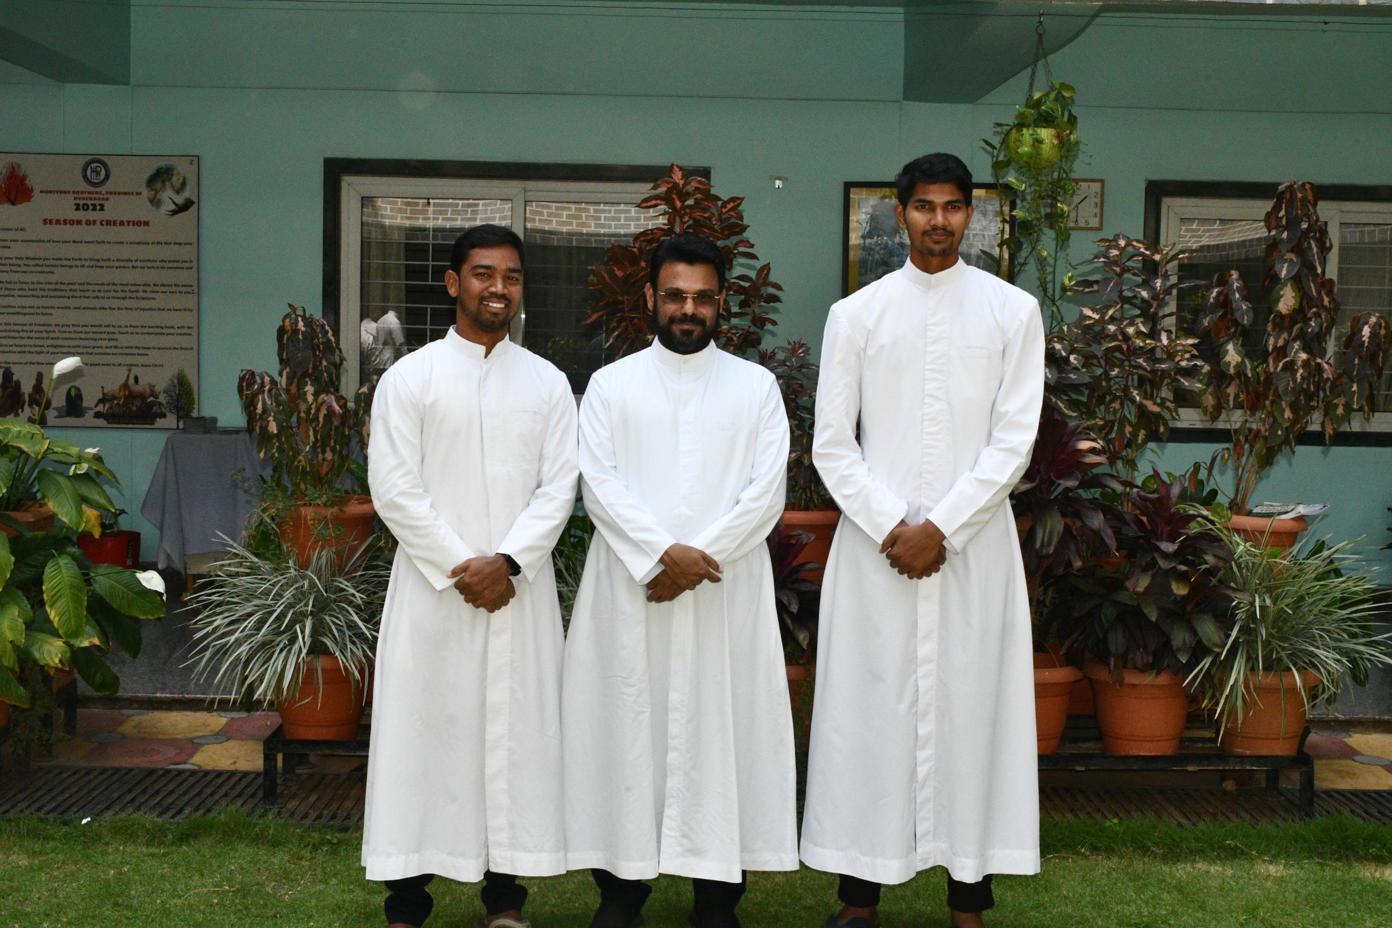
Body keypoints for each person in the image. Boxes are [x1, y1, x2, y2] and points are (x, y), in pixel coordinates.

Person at [800, 153, 1045, 928]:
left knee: (973, 716)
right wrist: (892, 526)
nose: (939, 221)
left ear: (972, 215)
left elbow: (1014, 440)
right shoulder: (857, 314)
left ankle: (969, 899)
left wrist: (941, 527)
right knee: (867, 715)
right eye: (924, 206)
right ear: (899, 212)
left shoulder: (1012, 312)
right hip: (877, 554)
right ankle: (858, 898)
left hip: (974, 551)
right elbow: (832, 443)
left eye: (953, 206)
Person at [563, 232, 797, 928]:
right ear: (650, 298)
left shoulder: (756, 388)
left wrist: (695, 562)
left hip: (724, 590)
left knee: (725, 736)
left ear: (722, 302)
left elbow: (765, 492)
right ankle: (620, 891)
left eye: (702, 297)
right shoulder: (611, 386)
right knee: (625, 731)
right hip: (631, 590)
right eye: (674, 296)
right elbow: (598, 484)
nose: (688, 309)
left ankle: (717, 897)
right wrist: (662, 554)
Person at [362, 224, 579, 928]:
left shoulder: (547, 384)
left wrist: (508, 562)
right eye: (484, 274)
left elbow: (560, 487)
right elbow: (395, 489)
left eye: (511, 277)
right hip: (436, 595)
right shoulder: (411, 378)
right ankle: (407, 899)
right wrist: (464, 567)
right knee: (423, 738)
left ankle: (505, 900)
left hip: (518, 589)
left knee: (515, 743)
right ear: (453, 282)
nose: (498, 288)